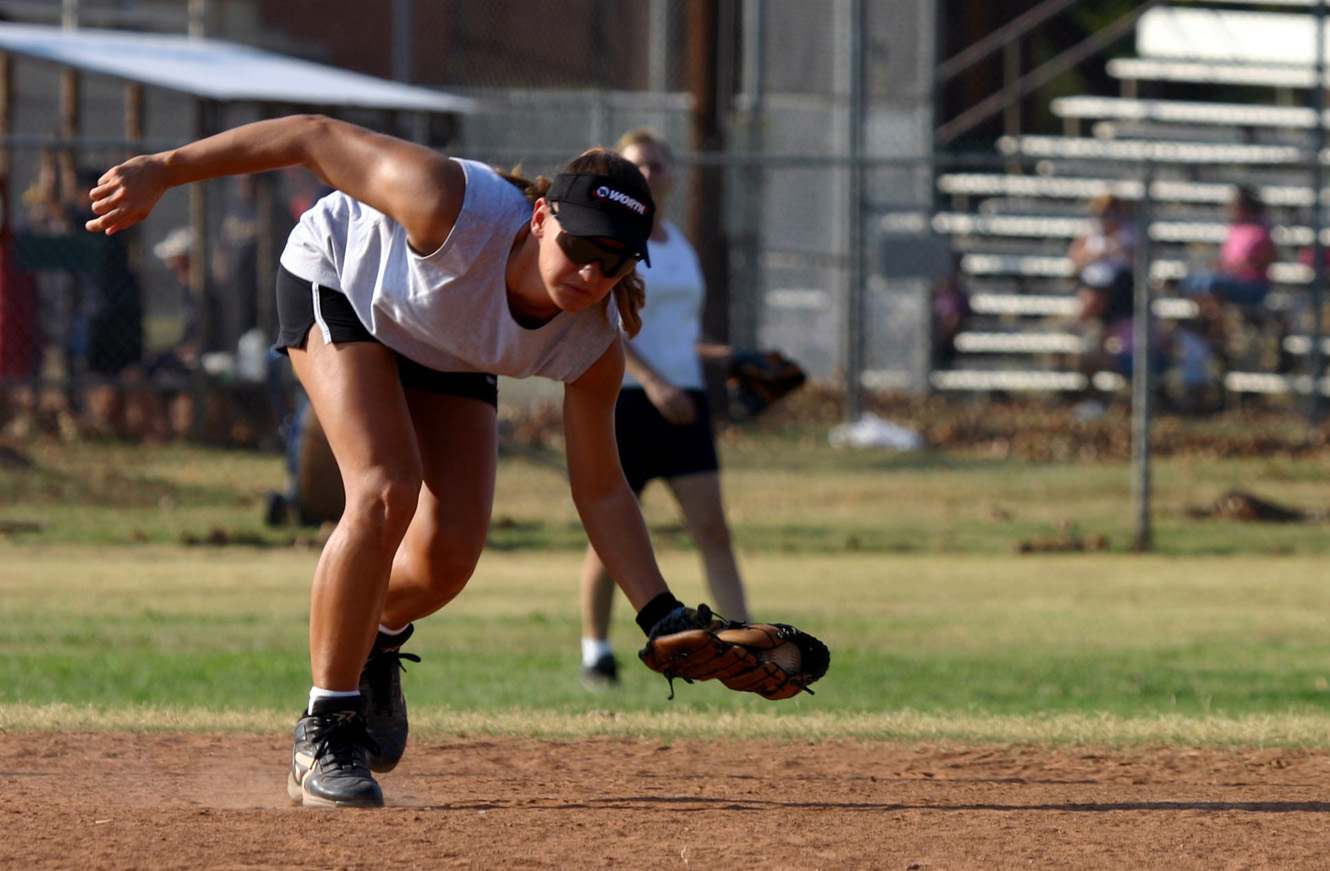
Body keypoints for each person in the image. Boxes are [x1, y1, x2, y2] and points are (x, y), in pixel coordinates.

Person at [86, 114, 709, 809]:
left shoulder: (591, 342)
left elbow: (601, 491)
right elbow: (311, 137)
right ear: (539, 218)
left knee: (447, 557)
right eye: (581, 243)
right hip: (344, 282)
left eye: (616, 258)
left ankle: (372, 636)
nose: (593, 271)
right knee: (386, 489)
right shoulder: (446, 204)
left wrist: (661, 613)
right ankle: (325, 729)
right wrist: (165, 168)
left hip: (443, 339)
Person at [577, 127, 749, 688]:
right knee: (613, 532)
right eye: (636, 166)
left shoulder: (681, 246)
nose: (648, 174)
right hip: (628, 397)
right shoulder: (614, 239)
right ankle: (596, 651)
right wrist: (650, 381)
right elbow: (602, 320)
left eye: (656, 165)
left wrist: (734, 357)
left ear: (671, 176)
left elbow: (679, 332)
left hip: (687, 397)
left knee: (713, 528)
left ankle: (743, 646)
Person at [1176, 185, 1278, 408]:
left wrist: (1229, 268)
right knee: (1194, 280)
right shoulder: (1236, 229)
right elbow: (1225, 261)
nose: (1229, 209)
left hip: (1252, 285)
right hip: (1231, 280)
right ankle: (1208, 322)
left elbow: (1256, 263)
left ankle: (1213, 327)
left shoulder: (1261, 230)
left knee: (1211, 282)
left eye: (1234, 205)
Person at [1066, 193, 1141, 419]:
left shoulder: (1130, 234)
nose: (1107, 216)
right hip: (1095, 294)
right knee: (1086, 355)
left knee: (1110, 354)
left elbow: (1139, 263)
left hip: (1121, 299)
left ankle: (1130, 403)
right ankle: (1095, 401)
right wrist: (1098, 252)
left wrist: (1120, 250)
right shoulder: (1091, 232)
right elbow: (1075, 258)